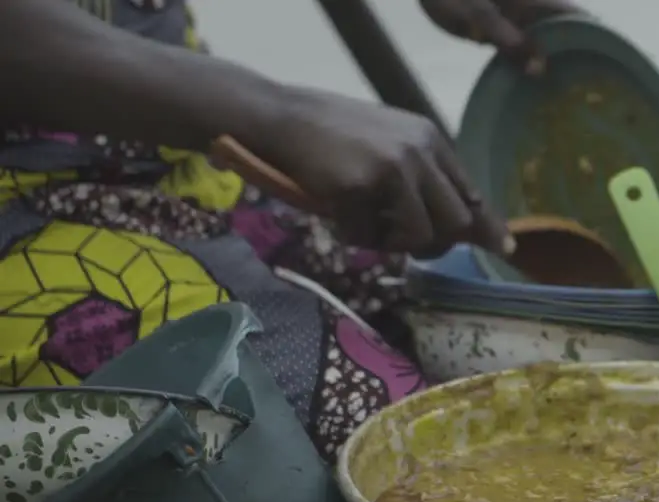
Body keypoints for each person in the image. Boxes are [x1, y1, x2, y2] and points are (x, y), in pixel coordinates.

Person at [0, 0, 579, 477]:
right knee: (429, 463)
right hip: (28, 230)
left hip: (186, 151)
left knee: (496, 327)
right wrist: (273, 113)